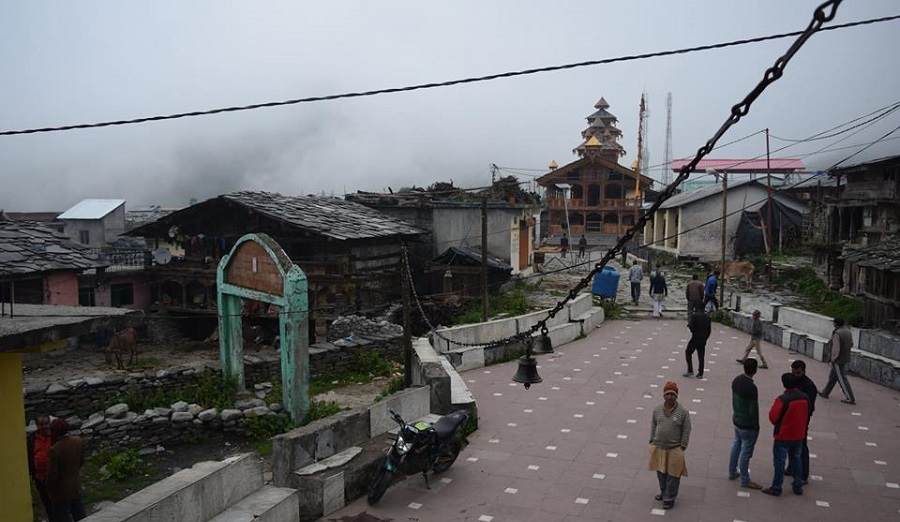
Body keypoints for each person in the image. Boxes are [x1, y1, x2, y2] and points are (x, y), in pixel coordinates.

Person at [762, 373, 809, 497]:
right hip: (799, 434)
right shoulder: (805, 397)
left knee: (779, 462)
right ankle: (797, 485)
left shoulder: (782, 399)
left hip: (783, 435)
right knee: (796, 460)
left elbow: (773, 417)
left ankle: (777, 487)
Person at [648, 381, 692, 510]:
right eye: (667, 394)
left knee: (673, 475)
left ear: (677, 396)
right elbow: (653, 424)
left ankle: (669, 498)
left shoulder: (682, 412)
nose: (670, 397)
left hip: (675, 448)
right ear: (663, 395)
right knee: (661, 472)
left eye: (672, 394)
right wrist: (652, 439)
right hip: (659, 446)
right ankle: (663, 492)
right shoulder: (657, 409)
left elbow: (687, 428)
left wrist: (683, 445)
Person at [728, 359, 763, 489]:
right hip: (747, 424)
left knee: (736, 445)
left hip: (736, 419)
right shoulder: (751, 388)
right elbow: (753, 410)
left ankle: (732, 472)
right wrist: (756, 425)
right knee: (745, 452)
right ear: (755, 370)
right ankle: (745, 479)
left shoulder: (736, 380)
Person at [47, 418, 86, 521]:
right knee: (80, 514)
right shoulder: (78, 441)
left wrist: (48, 485)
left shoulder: (55, 449)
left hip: (60, 491)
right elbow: (82, 461)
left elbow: (53, 474)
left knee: (62, 516)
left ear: (54, 431)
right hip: (76, 486)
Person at [785, 360, 817, 484]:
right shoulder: (793, 381)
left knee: (802, 446)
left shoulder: (809, 386)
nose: (795, 375)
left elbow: (810, 406)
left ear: (803, 371)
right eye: (793, 372)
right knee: (790, 444)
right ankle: (791, 467)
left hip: (802, 419)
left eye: (797, 373)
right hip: (792, 418)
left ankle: (804, 475)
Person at [819, 317, 856, 405]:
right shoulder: (848, 332)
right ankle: (825, 392)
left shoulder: (837, 334)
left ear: (835, 324)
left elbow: (836, 348)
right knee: (833, 376)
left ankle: (850, 397)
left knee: (841, 378)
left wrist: (833, 359)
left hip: (838, 360)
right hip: (845, 357)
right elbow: (851, 344)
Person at [27, 415, 54, 519]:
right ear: (37, 425)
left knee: (58, 500)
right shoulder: (32, 438)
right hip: (39, 477)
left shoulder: (54, 436)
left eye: (46, 424)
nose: (45, 427)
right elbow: (29, 455)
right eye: (41, 424)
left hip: (54, 475)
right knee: (46, 500)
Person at [684, 309, 711, 379]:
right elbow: (709, 329)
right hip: (703, 338)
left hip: (695, 337)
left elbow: (691, 326)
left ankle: (690, 370)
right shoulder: (707, 317)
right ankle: (700, 373)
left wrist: (693, 331)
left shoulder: (694, 316)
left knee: (688, 352)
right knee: (701, 355)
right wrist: (706, 337)